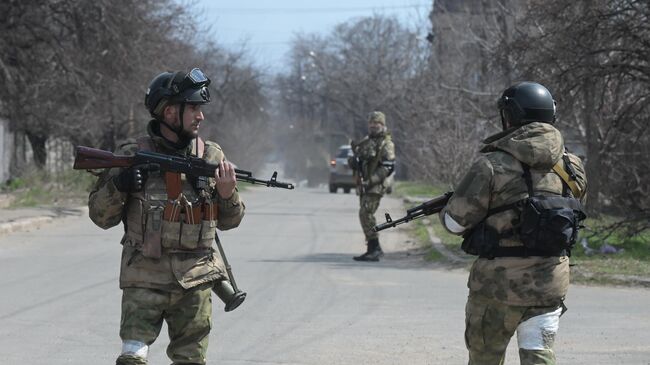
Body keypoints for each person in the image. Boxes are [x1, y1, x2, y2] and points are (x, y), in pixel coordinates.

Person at [88, 68, 245, 365]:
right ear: (171, 112)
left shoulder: (211, 156)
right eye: (195, 108)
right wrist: (119, 186)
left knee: (191, 361)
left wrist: (227, 193)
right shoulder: (132, 154)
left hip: (195, 282)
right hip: (144, 279)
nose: (201, 116)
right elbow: (100, 216)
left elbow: (230, 221)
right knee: (133, 356)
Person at [439, 81, 587, 364]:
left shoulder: (491, 164)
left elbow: (455, 223)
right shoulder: (573, 166)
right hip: (549, 287)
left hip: (496, 289)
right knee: (539, 359)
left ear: (510, 116)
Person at [349, 111, 396, 262]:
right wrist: (354, 162)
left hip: (376, 185)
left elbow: (387, 167)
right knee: (364, 214)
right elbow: (360, 159)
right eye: (371, 123)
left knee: (366, 213)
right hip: (365, 184)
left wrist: (371, 181)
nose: (373, 126)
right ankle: (372, 248)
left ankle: (375, 248)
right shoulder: (367, 141)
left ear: (382, 125)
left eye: (377, 123)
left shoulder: (386, 144)